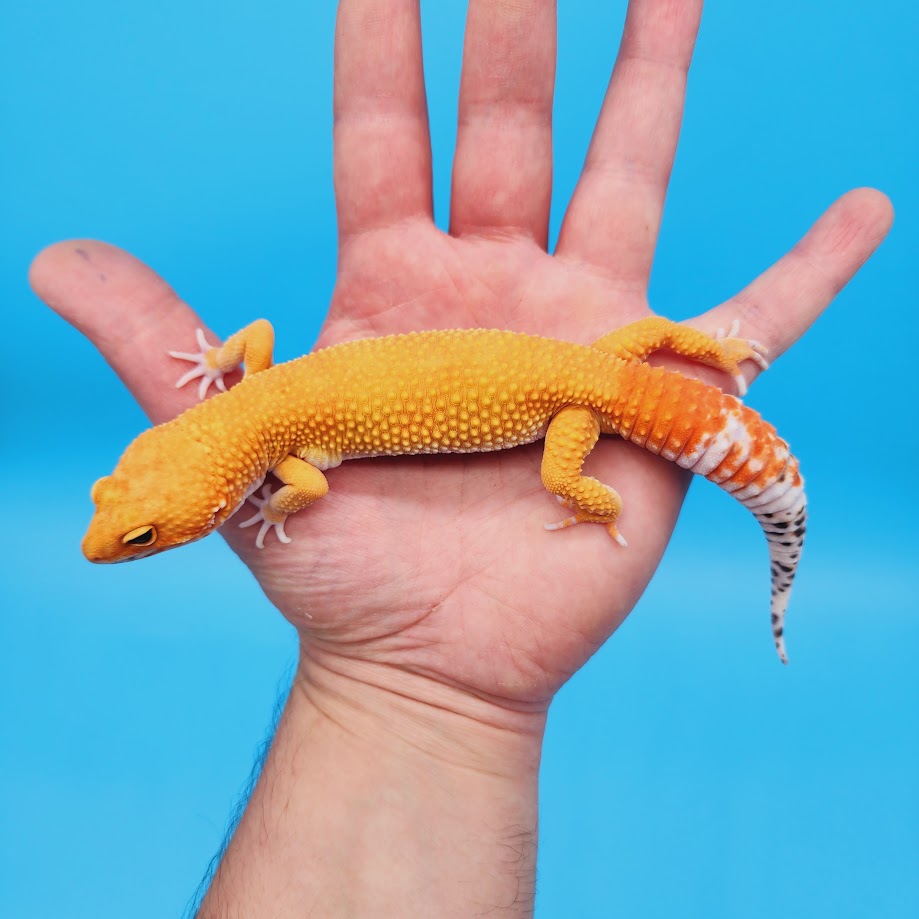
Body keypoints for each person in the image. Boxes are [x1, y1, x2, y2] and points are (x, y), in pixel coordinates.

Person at [30, 1, 891, 915]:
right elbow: (258, 336)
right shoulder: (256, 397)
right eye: (137, 529)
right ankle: (708, 354)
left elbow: (308, 482)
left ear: (206, 494)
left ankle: (596, 503)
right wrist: (222, 363)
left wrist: (277, 504)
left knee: (566, 476)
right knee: (640, 346)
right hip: (599, 364)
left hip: (575, 406)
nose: (118, 541)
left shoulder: (283, 457)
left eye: (141, 532)